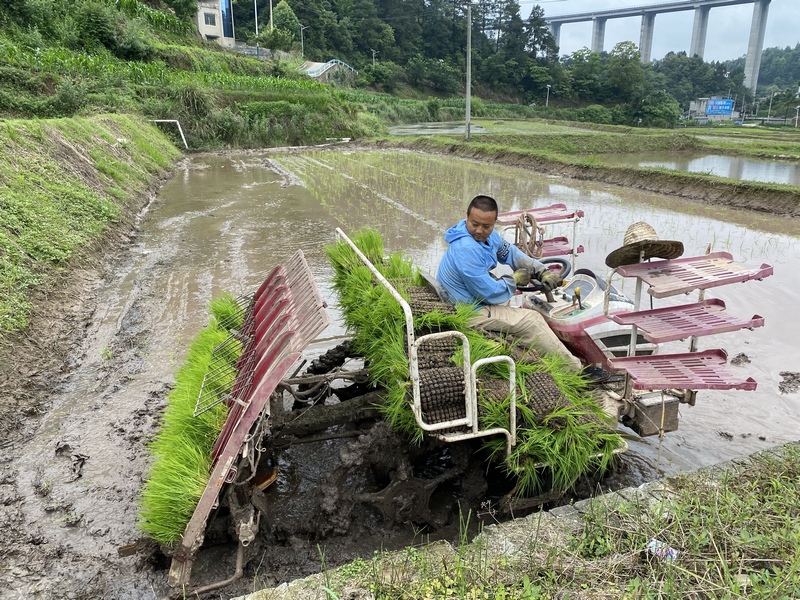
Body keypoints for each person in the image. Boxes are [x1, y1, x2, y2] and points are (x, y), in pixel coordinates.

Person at [436, 195, 583, 372]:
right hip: (465, 310)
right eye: (474, 224)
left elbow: (511, 254)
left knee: (509, 303)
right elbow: (490, 293)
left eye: (486, 226)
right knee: (532, 320)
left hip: (470, 298)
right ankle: (575, 369)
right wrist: (514, 280)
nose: (479, 230)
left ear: (494, 223)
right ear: (467, 217)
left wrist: (541, 271)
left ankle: (529, 347)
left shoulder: (488, 237)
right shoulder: (466, 249)